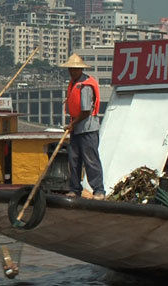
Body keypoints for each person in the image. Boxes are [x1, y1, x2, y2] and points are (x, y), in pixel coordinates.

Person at [59, 54, 105, 200]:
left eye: (75, 69)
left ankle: (98, 190)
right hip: (77, 128)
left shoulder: (85, 85)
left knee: (90, 160)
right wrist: (72, 124)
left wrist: (72, 124)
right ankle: (75, 188)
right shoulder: (73, 83)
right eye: (71, 69)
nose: (72, 72)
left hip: (87, 128)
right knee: (74, 160)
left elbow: (86, 111)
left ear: (80, 70)